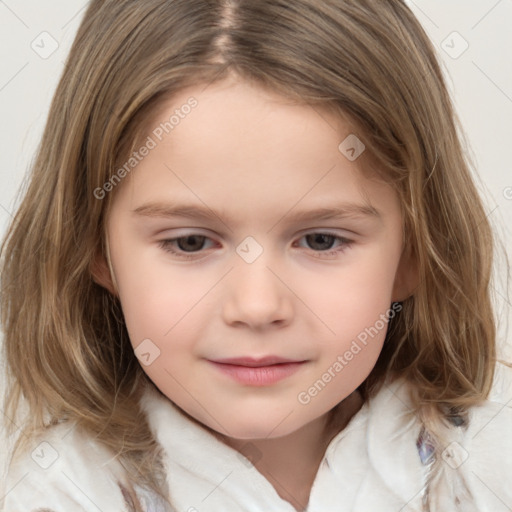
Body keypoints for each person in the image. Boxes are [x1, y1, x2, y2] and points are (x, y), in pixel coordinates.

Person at [1, 0, 510, 511]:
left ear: (416, 251)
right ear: (96, 251)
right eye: (190, 242)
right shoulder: (59, 496)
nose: (257, 305)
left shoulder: (491, 471)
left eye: (321, 240)